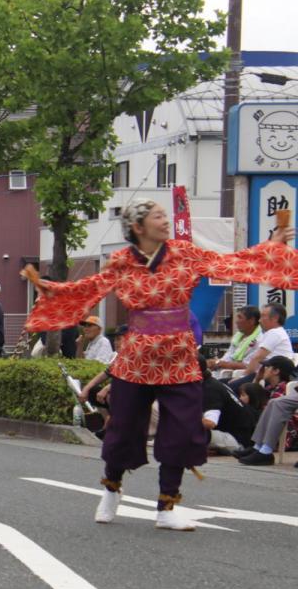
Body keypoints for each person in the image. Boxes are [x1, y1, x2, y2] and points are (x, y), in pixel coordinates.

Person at [25, 197, 298, 531]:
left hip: (179, 357)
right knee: (124, 427)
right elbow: (90, 288)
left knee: (181, 429)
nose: (165, 221)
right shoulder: (122, 261)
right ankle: (111, 488)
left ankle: (167, 505)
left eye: (164, 215)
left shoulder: (184, 253)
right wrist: (50, 289)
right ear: (138, 227)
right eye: (157, 217)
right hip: (136, 358)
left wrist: (272, 246)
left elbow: (230, 264)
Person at [235, 355, 297, 465]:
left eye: (267, 366)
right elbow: (253, 395)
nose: (263, 369)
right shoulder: (270, 388)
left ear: (276, 371)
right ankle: (258, 447)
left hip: (286, 431)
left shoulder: (281, 389)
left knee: (275, 403)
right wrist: (257, 379)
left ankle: (265, 450)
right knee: (273, 402)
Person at [198, 357, 257, 454]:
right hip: (236, 433)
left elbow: (210, 422)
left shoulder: (210, 389)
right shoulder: (209, 382)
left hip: (237, 441)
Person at [228, 304, 291, 392]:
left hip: (271, 377)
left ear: (275, 318)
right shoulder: (272, 333)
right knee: (224, 384)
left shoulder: (275, 333)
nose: (259, 320)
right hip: (261, 374)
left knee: (229, 387)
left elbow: (257, 358)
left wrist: (242, 376)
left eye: (263, 316)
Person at [210, 306, 262, 381]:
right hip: (226, 372)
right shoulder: (238, 336)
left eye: (240, 317)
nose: (236, 321)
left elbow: (248, 365)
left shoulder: (259, 340)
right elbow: (228, 356)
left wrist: (219, 363)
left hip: (243, 377)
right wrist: (215, 363)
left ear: (251, 321)